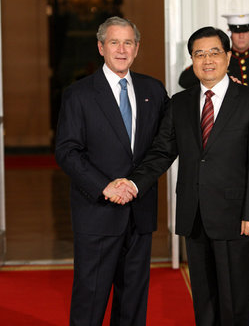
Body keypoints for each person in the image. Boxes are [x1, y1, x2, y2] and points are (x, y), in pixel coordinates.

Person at [109, 26, 249, 325]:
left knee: (236, 299)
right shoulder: (180, 104)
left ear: (226, 57)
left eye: (214, 53)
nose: (207, 60)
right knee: (204, 299)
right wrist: (132, 183)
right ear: (192, 61)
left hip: (236, 217)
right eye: (199, 54)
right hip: (194, 214)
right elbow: (161, 152)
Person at [54, 16, 168, 326]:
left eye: (128, 42)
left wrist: (134, 184)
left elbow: (167, 141)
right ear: (101, 47)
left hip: (139, 210)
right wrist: (105, 186)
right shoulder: (79, 94)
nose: (121, 49)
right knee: (90, 300)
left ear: (137, 48)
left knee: (132, 301)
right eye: (114, 42)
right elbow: (67, 150)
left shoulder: (153, 90)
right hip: (97, 212)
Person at [178, 12, 249, 156]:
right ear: (230, 33)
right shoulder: (219, 59)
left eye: (245, 31)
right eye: (237, 31)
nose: (241, 36)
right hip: (226, 137)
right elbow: (184, 80)